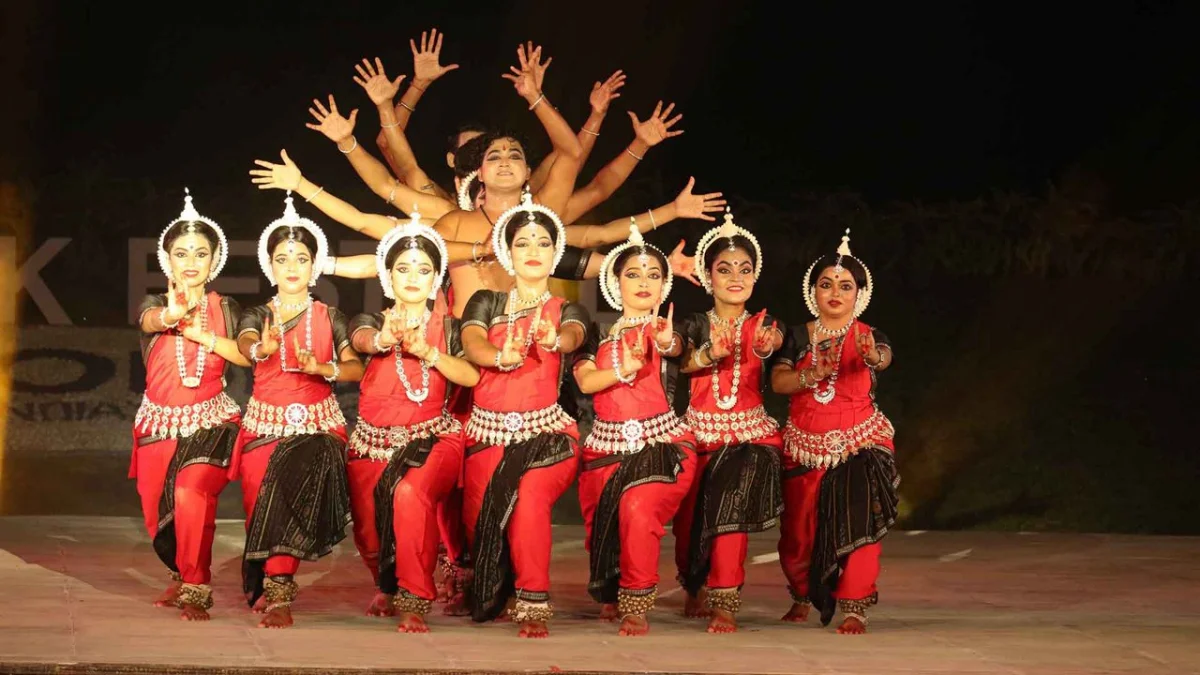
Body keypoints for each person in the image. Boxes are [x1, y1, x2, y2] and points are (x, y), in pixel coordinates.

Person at [458, 195, 589, 637]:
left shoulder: (566, 310)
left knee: (529, 498)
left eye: (543, 242)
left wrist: (555, 340)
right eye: (523, 242)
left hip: (548, 434)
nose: (533, 249)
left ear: (555, 253)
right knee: (484, 520)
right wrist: (499, 355)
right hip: (486, 435)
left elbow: (573, 336)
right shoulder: (486, 300)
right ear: (507, 252)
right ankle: (503, 589)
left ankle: (533, 601)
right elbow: (473, 343)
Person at [232, 194, 364, 628]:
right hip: (263, 424)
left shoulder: (332, 316)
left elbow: (355, 367)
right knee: (260, 507)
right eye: (283, 257)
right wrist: (261, 349)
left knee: (286, 494)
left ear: (314, 266)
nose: (292, 266)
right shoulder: (257, 314)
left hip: (317, 426)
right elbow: (245, 342)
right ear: (269, 265)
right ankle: (263, 578)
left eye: (301, 258)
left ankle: (280, 594)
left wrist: (321, 367)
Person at [346, 215, 479, 633]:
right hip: (370, 442)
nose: (413, 278)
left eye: (424, 270)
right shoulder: (369, 320)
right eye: (403, 269)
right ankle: (385, 582)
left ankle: (415, 598)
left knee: (409, 495)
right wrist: (384, 341)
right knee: (368, 532)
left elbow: (472, 376)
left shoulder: (452, 329)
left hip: (432, 439)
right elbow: (361, 341)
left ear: (436, 277)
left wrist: (428, 351)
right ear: (388, 275)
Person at [771, 229, 899, 635]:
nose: (835, 293)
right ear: (813, 290)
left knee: (860, 521)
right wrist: (812, 373)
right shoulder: (795, 335)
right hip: (804, 447)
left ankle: (855, 604)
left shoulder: (869, 337)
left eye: (846, 286)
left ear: (859, 293)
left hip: (861, 442)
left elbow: (884, 359)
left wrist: (871, 356)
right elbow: (779, 383)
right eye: (826, 284)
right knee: (798, 537)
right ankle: (802, 594)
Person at [574, 224, 696, 636]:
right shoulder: (595, 335)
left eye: (654, 275)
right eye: (633, 274)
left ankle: (636, 601)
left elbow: (675, 349)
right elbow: (587, 382)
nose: (644, 282)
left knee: (638, 508)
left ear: (665, 285)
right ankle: (611, 593)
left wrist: (663, 343)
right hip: (604, 449)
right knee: (603, 526)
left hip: (662, 446)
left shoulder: (667, 330)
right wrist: (622, 368)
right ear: (614, 280)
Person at [132, 189, 246, 620]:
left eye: (201, 252)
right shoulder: (154, 305)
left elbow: (244, 354)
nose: (191, 261)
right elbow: (148, 322)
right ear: (168, 260)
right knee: (156, 511)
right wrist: (172, 315)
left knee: (191, 490)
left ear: (214, 258)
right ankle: (181, 572)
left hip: (212, 421)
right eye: (182, 253)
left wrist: (205, 334)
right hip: (157, 425)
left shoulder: (228, 308)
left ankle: (197, 587)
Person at [671, 209, 784, 633]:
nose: (736, 276)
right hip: (699, 432)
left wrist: (765, 346)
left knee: (730, 506)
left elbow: (770, 347)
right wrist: (706, 355)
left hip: (749, 435)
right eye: (724, 269)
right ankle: (694, 583)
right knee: (690, 523)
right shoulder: (694, 323)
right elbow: (678, 359)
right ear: (707, 276)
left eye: (745, 268)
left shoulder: (766, 324)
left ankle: (726, 598)